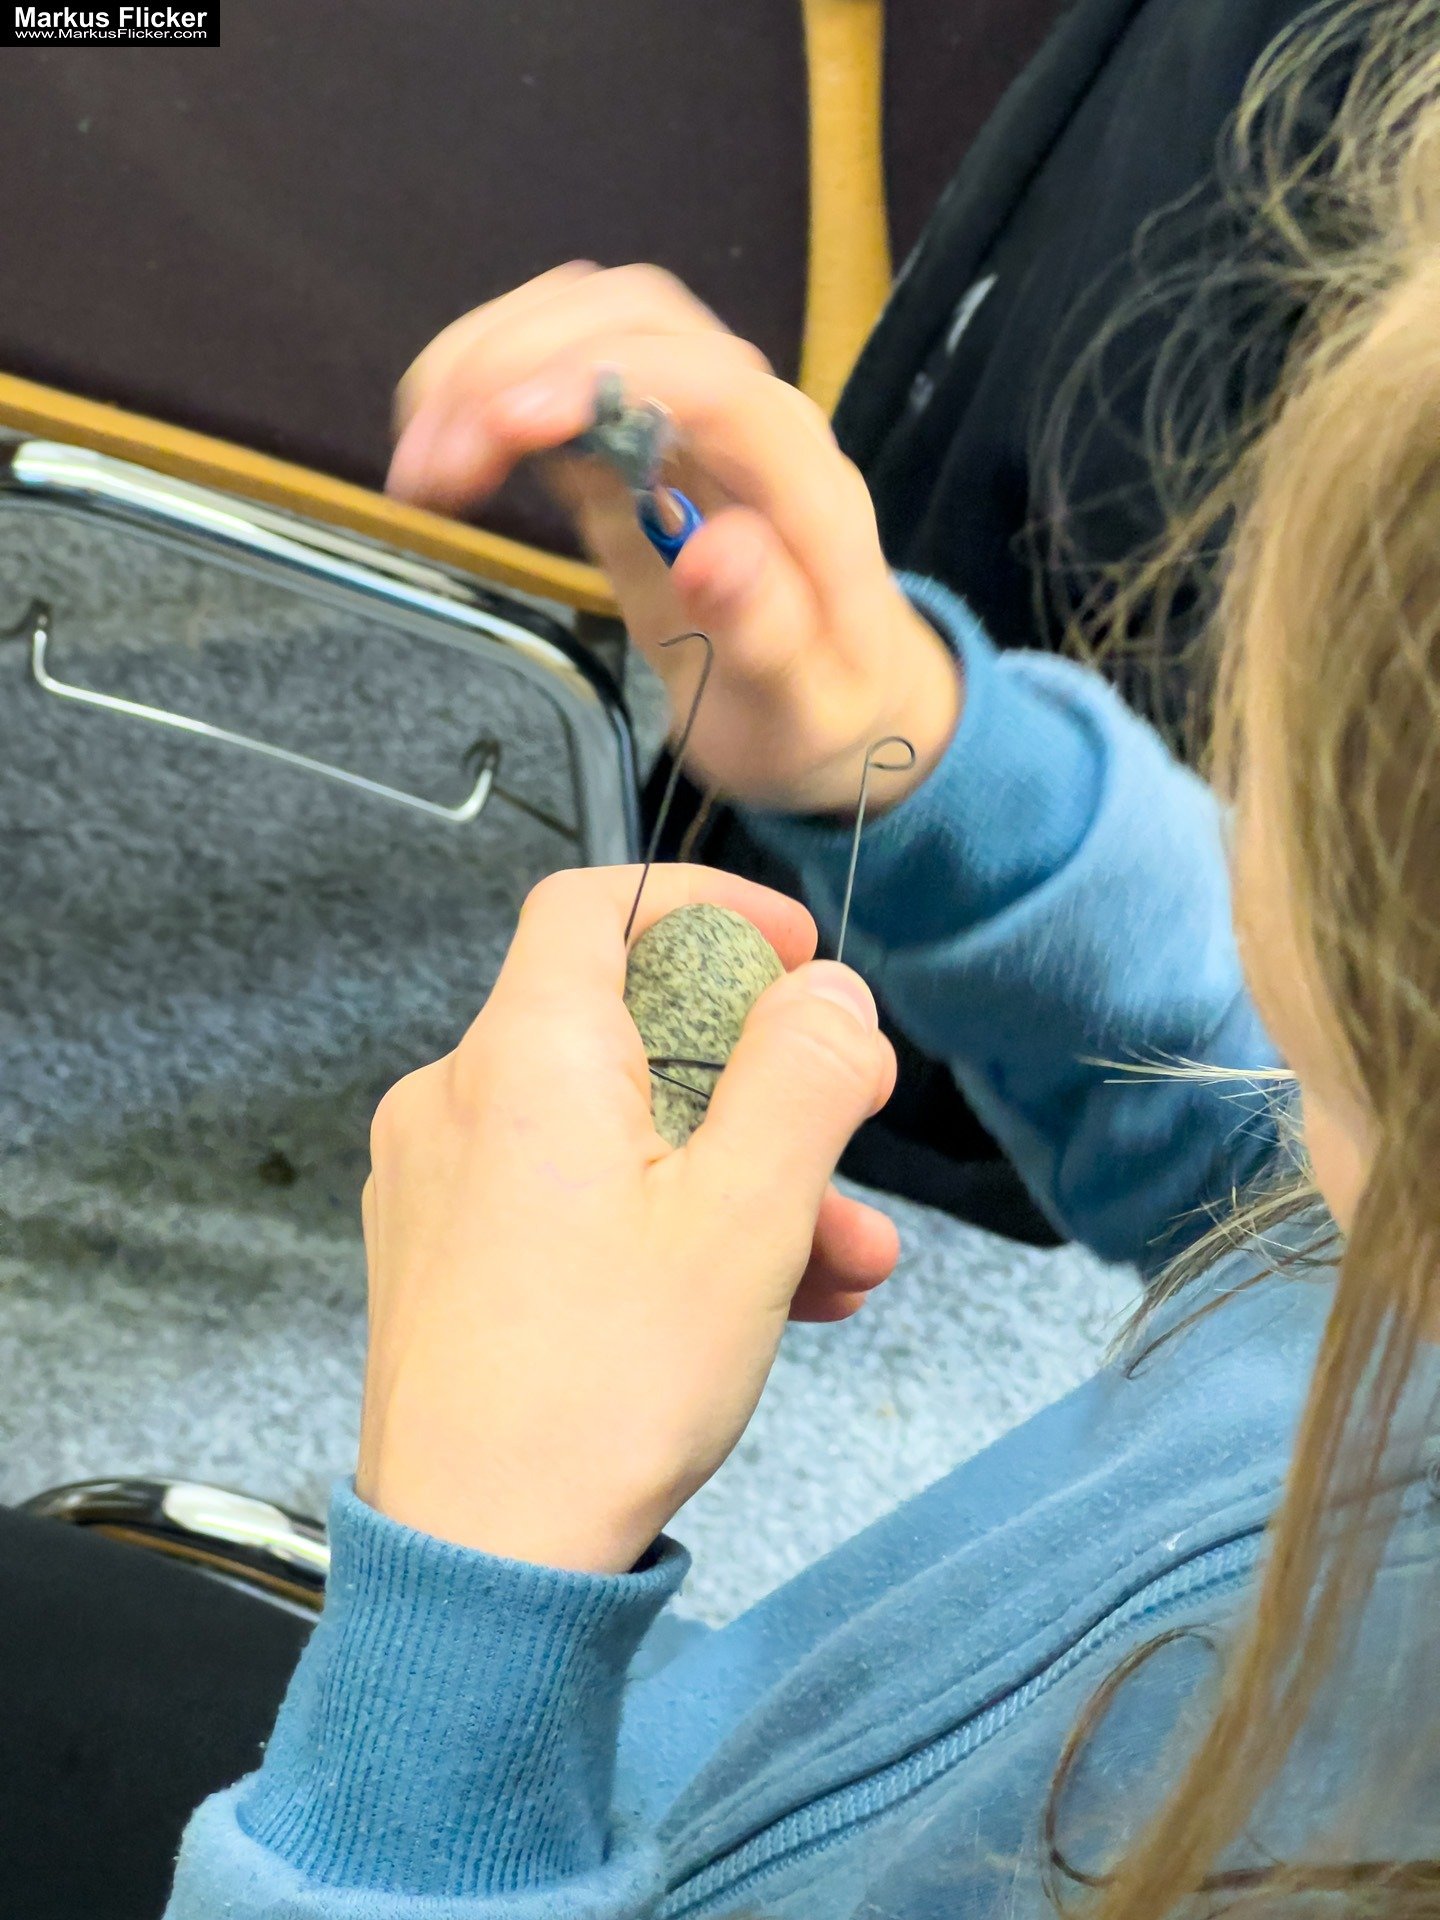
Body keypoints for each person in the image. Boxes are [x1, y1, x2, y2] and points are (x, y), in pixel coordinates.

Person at [164, 3, 1440, 1914]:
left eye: (1299, 807)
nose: (1252, 878)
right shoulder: (1382, 1157)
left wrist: (476, 1567)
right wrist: (919, 755)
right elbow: (1300, 1141)